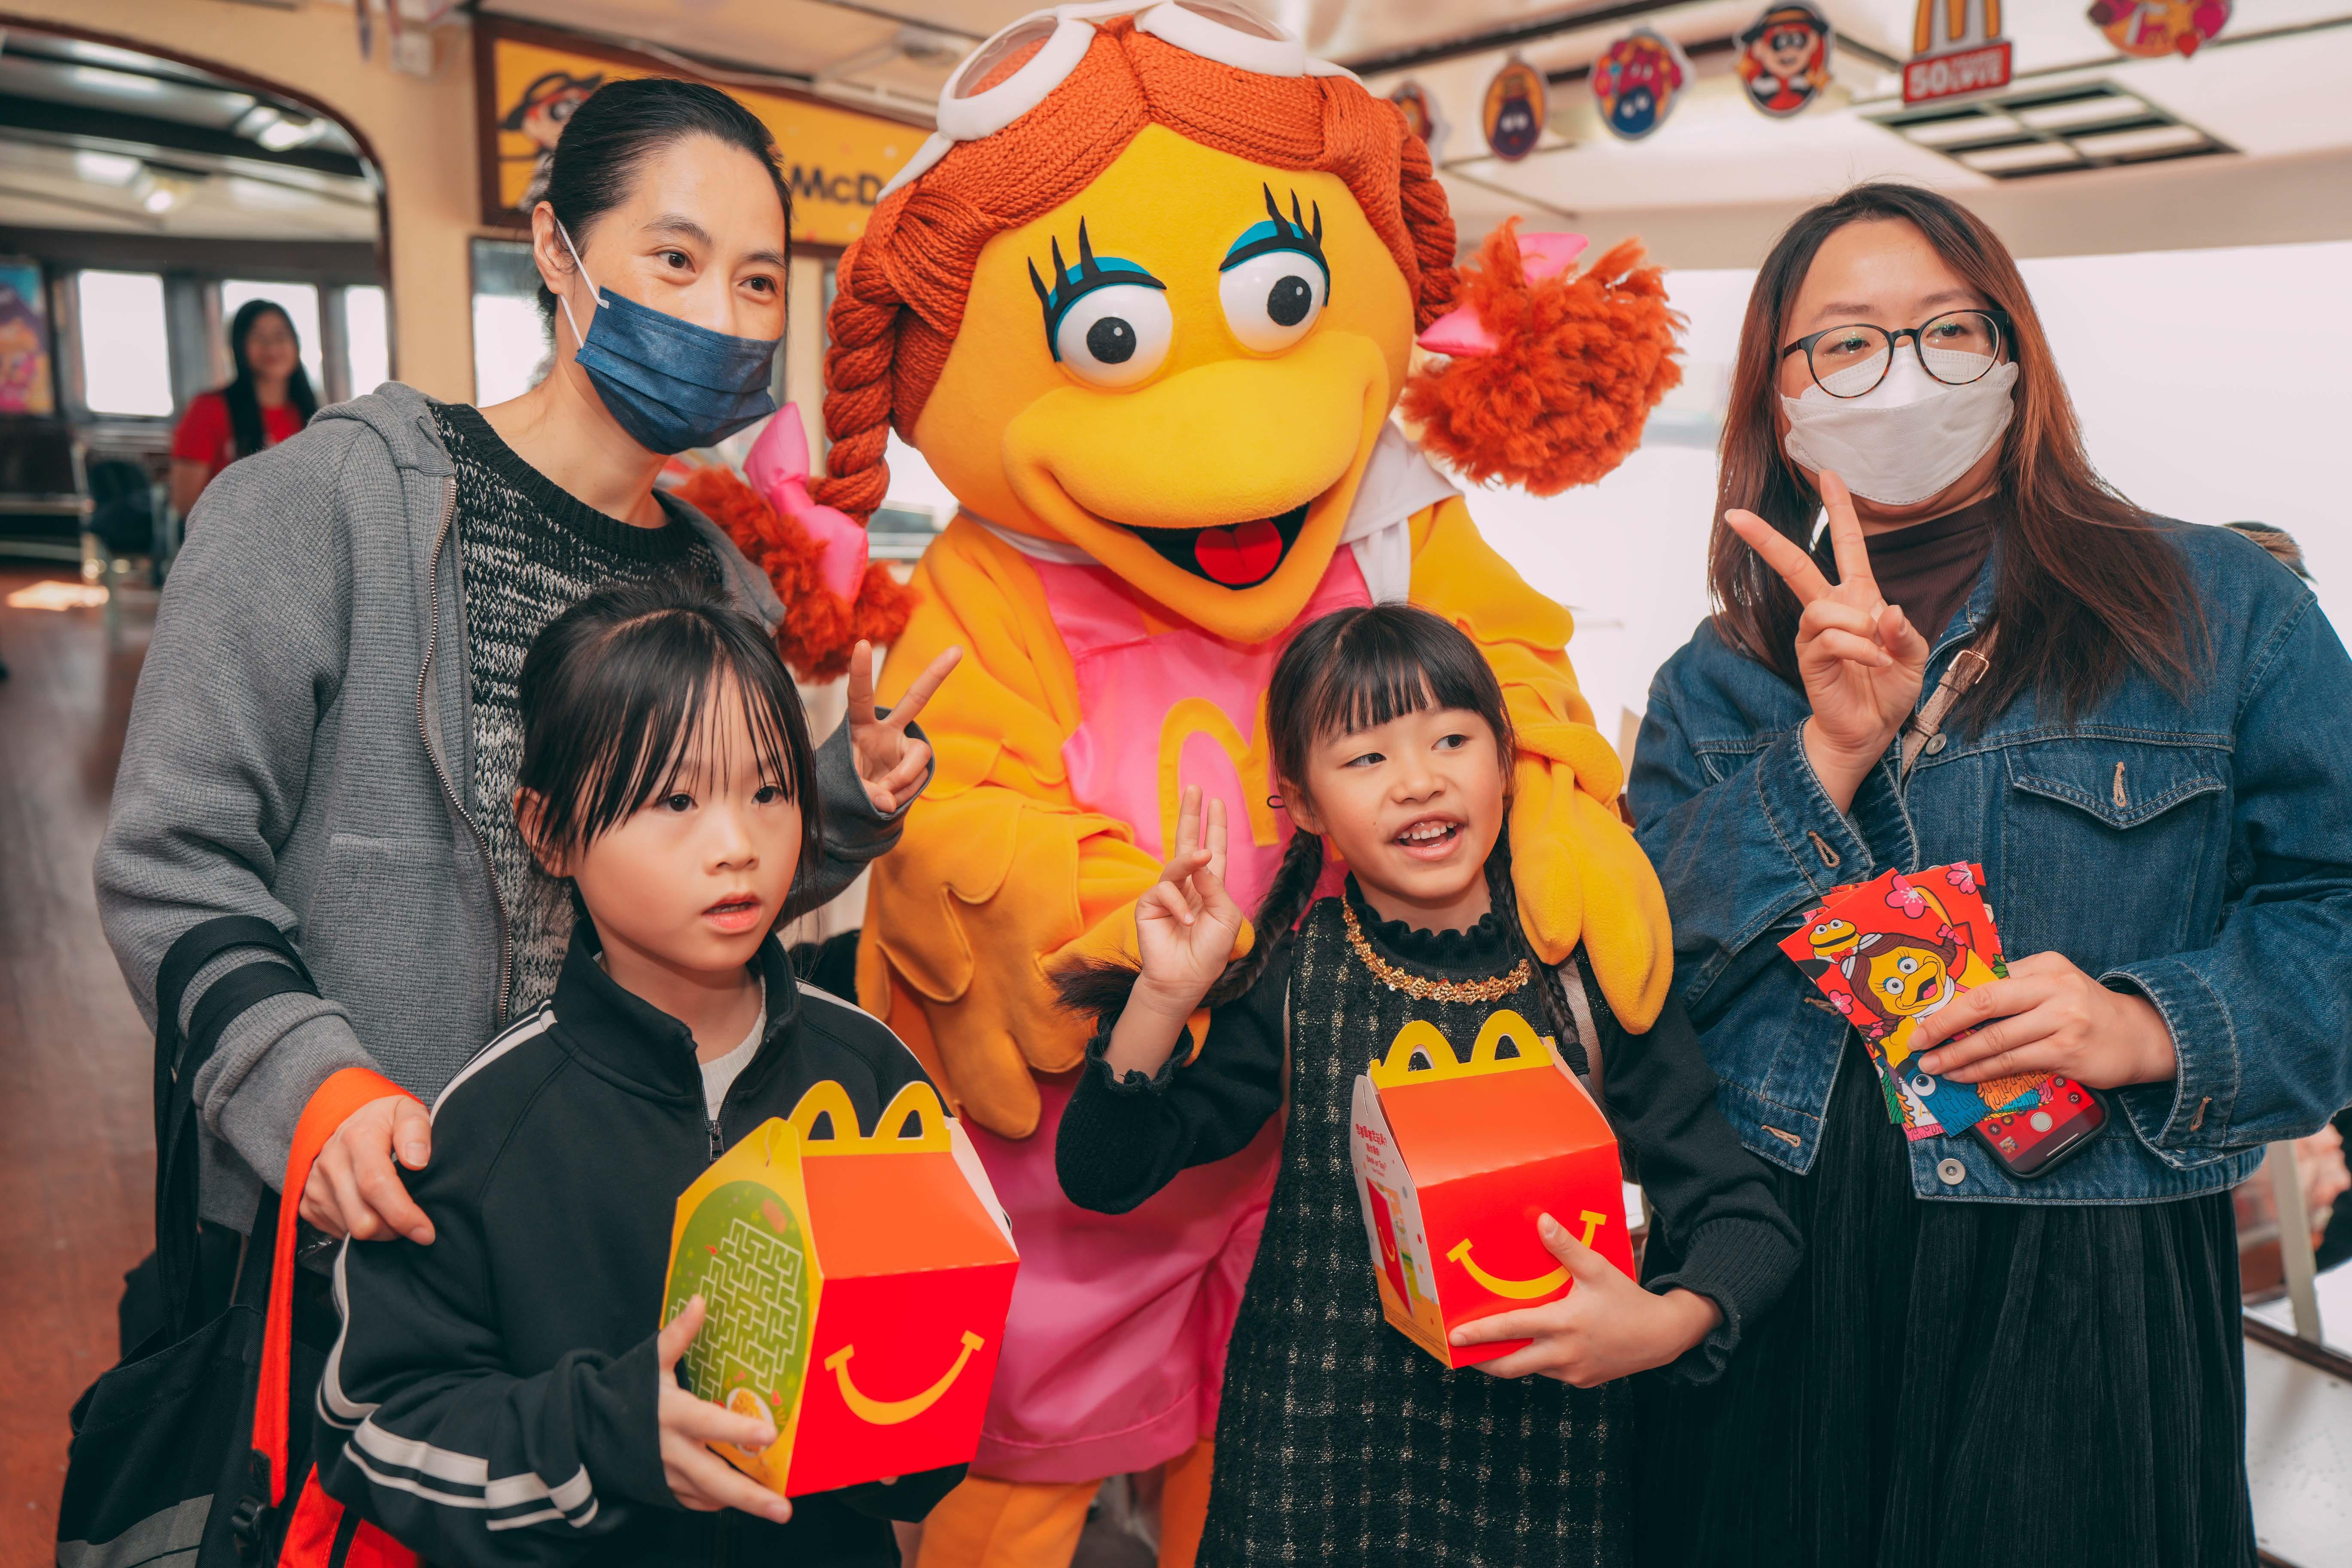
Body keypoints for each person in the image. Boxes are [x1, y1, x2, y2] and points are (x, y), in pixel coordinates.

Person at [96, 75, 952, 1318]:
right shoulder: (333, 506)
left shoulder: (721, 580)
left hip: (625, 1225)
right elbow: (171, 862)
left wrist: (836, 796)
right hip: (371, 1227)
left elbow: (688, 870)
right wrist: (309, 1085)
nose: (720, 313)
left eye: (758, 282)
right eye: (674, 258)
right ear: (557, 250)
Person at [1629, 180, 2352, 1567]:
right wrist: (1822, 756)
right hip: (1771, 1256)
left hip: (2085, 1257)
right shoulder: (1714, 678)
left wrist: (2149, 1024)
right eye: (1841, 342)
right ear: (1774, 396)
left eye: (1945, 329)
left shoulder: (2217, 615)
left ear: (2012, 359)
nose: (1898, 371)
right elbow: (1636, 969)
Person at [1054, 604, 1801, 1565]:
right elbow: (1102, 1171)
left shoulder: (1584, 973)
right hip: (1304, 1480)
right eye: (1364, 757)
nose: (1416, 780)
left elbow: (1748, 1219)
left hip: (1542, 1486)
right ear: (1305, 805)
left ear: (1503, 762)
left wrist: (1661, 1325)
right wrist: (1161, 994)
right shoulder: (1296, 975)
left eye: (1450, 738)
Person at [316, 579, 963, 1566]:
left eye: (769, 791)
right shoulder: (484, 1124)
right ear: (550, 829)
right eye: (674, 799)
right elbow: (374, 1431)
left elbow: (927, 1401)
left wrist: (908, 1425)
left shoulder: (872, 1077)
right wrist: (604, 1440)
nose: (737, 845)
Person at [169, 298, 319, 519]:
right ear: (239, 346)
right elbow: (185, 502)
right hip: (228, 542)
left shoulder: (311, 413)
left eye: (280, 336)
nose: (272, 347)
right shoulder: (209, 409)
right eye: (259, 337)